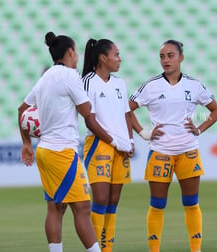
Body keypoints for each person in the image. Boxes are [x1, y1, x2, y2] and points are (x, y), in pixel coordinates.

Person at [128, 39, 217, 252]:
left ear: (181, 58)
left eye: (170, 55)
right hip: (160, 151)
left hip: (188, 150)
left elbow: (216, 110)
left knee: (191, 203)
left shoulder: (194, 85)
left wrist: (199, 128)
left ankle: (195, 249)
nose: (166, 60)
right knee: (157, 205)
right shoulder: (151, 86)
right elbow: (127, 109)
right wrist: (143, 132)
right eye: (162, 56)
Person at [18, 32, 101, 252]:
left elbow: (22, 110)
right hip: (63, 151)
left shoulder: (46, 77)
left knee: (56, 208)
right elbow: (86, 111)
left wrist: (27, 144)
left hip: (45, 150)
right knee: (83, 207)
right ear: (71, 52)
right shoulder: (70, 75)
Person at [82, 38, 134, 251]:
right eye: (116, 55)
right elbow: (89, 119)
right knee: (101, 200)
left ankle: (107, 248)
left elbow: (126, 114)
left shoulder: (119, 83)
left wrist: (129, 141)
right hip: (99, 144)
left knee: (113, 203)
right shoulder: (88, 81)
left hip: (120, 147)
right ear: (103, 58)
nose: (119, 59)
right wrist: (112, 140)